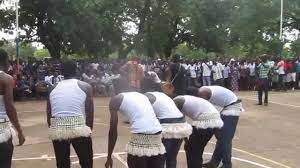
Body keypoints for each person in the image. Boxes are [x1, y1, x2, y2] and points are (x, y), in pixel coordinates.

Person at [47, 61, 94, 168]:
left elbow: (49, 114)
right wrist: (88, 130)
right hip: (78, 127)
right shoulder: (85, 86)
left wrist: (54, 129)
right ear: (76, 70)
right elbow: (89, 112)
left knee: (62, 164)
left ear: (61, 72)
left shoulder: (52, 88)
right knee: (87, 163)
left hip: (58, 128)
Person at [105, 91, 165, 168]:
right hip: (157, 135)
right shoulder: (140, 95)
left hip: (140, 137)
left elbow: (113, 131)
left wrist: (109, 156)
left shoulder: (115, 100)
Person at [190, 86, 243, 168]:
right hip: (225, 107)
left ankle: (227, 164)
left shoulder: (203, 93)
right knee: (221, 137)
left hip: (232, 107)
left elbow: (206, 111)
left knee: (225, 139)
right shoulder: (201, 91)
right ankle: (214, 162)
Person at [173, 94, 223, 168]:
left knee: (193, 151)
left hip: (205, 120)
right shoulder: (183, 99)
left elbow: (179, 122)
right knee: (196, 149)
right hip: (215, 119)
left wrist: (186, 141)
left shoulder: (176, 102)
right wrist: (187, 141)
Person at [145, 91, 192, 168]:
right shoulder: (162, 95)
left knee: (160, 157)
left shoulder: (146, 99)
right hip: (182, 125)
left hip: (168, 126)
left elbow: (148, 119)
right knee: (171, 157)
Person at [0, 49, 25, 168]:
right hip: (2, 129)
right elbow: (10, 107)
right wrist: (19, 131)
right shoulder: (6, 78)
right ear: (5, 61)